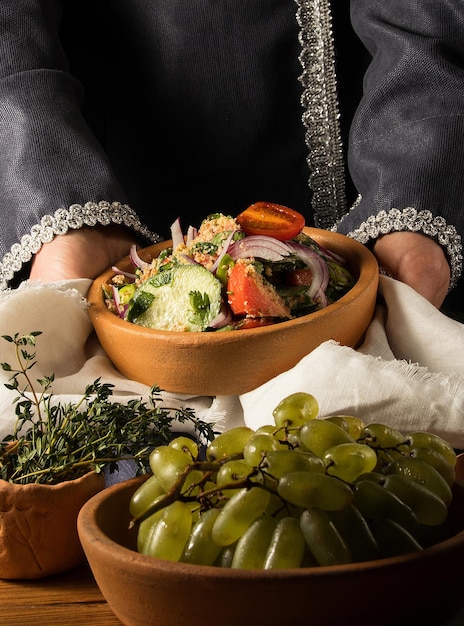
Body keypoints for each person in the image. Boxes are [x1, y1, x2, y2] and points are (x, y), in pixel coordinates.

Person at [0, 1, 462, 319]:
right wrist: (62, 208)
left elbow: (429, 23)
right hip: (122, 205)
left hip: (390, 206)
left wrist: (416, 192)